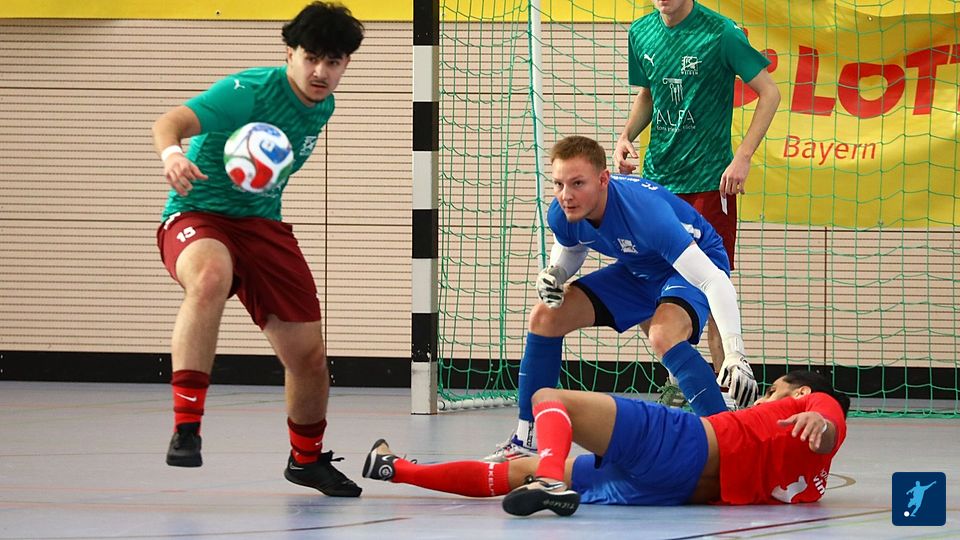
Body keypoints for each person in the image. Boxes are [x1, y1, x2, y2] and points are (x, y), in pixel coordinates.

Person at [152, 1, 364, 497]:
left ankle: (306, 461)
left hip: (261, 225)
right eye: (311, 58)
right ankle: (187, 427)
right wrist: (173, 155)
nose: (320, 72)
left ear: (345, 65)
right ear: (290, 53)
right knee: (210, 276)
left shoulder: (323, 105)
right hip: (198, 211)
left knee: (309, 356)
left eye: (333, 62)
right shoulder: (246, 92)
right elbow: (168, 122)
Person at [484, 135, 758, 462]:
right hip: (639, 268)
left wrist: (735, 353)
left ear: (603, 180)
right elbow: (572, 249)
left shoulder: (646, 214)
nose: (566, 195)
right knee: (545, 316)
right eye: (558, 184)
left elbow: (714, 279)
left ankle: (728, 444)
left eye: (577, 183)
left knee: (663, 334)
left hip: (689, 264)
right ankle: (527, 438)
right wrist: (556, 273)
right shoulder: (562, 211)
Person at [362, 370, 849, 517]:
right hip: (674, 492)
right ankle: (394, 467)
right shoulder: (813, 482)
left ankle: (549, 478)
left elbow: (830, 421)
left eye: (773, 390)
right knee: (520, 470)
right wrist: (820, 435)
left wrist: (820, 420)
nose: (764, 398)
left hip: (684, 444)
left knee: (548, 399)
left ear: (800, 392)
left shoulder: (814, 407)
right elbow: (822, 446)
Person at [613, 0, 781, 397]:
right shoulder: (641, 32)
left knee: (712, 284)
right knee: (647, 283)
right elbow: (649, 93)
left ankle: (729, 389)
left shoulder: (721, 32)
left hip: (708, 184)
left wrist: (743, 157)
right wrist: (625, 136)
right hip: (658, 184)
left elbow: (770, 93)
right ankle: (682, 376)